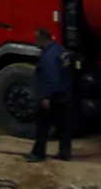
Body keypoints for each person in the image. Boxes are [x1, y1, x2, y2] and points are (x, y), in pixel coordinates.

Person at [26, 28, 74, 163]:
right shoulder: (60, 50)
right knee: (63, 126)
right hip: (64, 94)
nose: (35, 42)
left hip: (53, 97)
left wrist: (47, 96)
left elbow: (52, 78)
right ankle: (65, 153)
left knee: (42, 126)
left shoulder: (49, 56)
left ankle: (38, 154)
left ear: (42, 39)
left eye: (36, 39)